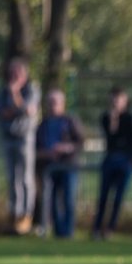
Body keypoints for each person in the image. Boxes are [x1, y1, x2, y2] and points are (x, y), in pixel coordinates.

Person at [92, 86, 132, 239]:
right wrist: (113, 120)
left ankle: (110, 229)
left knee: (118, 198)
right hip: (110, 160)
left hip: (124, 161)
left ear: (124, 100)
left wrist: (130, 160)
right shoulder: (106, 118)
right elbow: (110, 138)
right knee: (103, 197)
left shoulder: (131, 118)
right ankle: (97, 228)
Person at [35, 89, 86, 239]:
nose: (52, 106)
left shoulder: (70, 121)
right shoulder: (42, 124)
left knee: (68, 199)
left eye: (55, 103)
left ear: (62, 104)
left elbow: (80, 141)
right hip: (50, 167)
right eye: (50, 103)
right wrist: (44, 153)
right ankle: (58, 233)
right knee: (52, 200)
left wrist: (67, 148)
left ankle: (68, 231)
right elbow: (36, 148)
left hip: (68, 166)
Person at [0, 56, 38, 235]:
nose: (13, 76)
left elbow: (28, 110)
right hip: (9, 138)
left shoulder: (31, 89)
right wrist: (18, 110)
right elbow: (1, 113)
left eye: (17, 72)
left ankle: (26, 216)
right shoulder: (4, 91)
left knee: (26, 178)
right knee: (13, 179)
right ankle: (15, 214)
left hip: (24, 139)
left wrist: (15, 95)